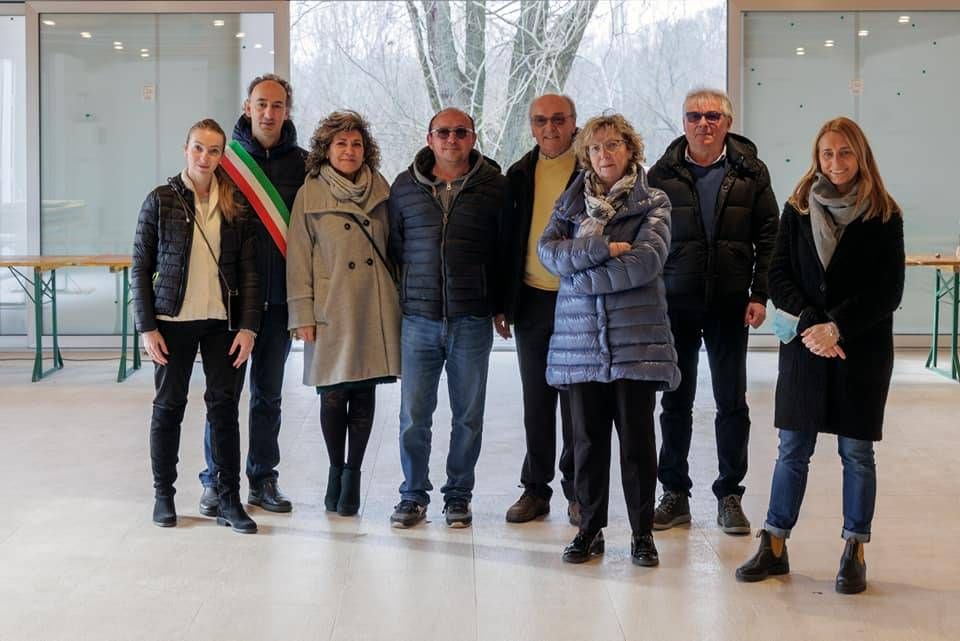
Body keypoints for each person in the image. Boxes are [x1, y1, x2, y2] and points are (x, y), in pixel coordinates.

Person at [736, 117, 904, 594]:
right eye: (827, 153)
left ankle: (855, 549)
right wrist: (814, 322)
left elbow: (888, 290)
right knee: (792, 448)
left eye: (845, 152)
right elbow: (778, 275)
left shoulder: (885, 213)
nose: (836, 162)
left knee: (857, 452)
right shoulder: (798, 208)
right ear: (817, 157)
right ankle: (774, 544)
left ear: (861, 156)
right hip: (806, 346)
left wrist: (838, 326)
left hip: (860, 350)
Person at [538, 114, 679, 566]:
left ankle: (642, 534)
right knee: (586, 444)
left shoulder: (653, 201)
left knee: (637, 445)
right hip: (579, 344)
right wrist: (601, 249)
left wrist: (578, 273)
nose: (604, 154)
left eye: (613, 145)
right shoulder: (570, 203)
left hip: (635, 343)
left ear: (630, 150)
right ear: (586, 155)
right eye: (596, 148)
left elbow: (646, 262)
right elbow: (548, 253)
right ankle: (589, 530)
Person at [648, 88, 779, 535]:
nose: (703, 123)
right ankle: (674, 494)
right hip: (676, 304)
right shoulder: (661, 173)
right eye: (694, 116)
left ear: (727, 122)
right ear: (683, 122)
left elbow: (770, 235)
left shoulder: (751, 172)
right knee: (675, 401)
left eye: (712, 116)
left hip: (730, 303)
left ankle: (729, 495)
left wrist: (759, 294)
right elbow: (647, 240)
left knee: (731, 402)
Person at [132, 118, 260, 533]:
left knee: (224, 410)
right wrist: (147, 328)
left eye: (214, 150)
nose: (205, 157)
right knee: (169, 406)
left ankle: (229, 499)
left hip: (222, 323)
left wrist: (248, 328)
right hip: (172, 322)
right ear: (186, 149)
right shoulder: (160, 200)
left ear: (222, 156)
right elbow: (140, 268)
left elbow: (250, 272)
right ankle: (163, 495)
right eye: (198, 148)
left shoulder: (235, 204)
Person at [387, 107, 510, 529]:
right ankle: (412, 494)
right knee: (413, 417)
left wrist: (501, 305)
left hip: (471, 318)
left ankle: (458, 495)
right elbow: (395, 248)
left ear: (472, 138)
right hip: (418, 320)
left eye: (460, 132)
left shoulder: (495, 187)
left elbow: (504, 249)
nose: (451, 139)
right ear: (429, 138)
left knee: (468, 417)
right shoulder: (404, 187)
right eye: (443, 132)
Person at [199, 74, 308, 516]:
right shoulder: (225, 161)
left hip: (278, 301)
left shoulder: (304, 165)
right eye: (261, 103)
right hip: (231, 302)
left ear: (287, 110)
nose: (268, 113)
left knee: (268, 397)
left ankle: (263, 479)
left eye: (277, 105)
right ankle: (215, 480)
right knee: (222, 397)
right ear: (247, 106)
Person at [286, 111, 401, 517]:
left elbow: (396, 250)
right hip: (330, 307)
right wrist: (302, 314)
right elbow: (298, 259)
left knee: (364, 394)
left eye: (356, 144)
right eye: (341, 144)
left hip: (373, 304)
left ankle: (353, 476)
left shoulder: (382, 189)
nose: (349, 151)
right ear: (326, 149)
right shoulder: (309, 193)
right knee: (333, 396)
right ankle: (336, 469)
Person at [500, 94, 580, 525]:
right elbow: (507, 242)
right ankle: (535, 489)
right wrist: (503, 304)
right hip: (532, 299)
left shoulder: (593, 167)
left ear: (574, 122)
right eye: (541, 120)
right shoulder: (519, 173)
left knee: (577, 403)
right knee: (537, 400)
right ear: (531, 126)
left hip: (580, 301)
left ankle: (578, 491)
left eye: (558, 119)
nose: (550, 128)